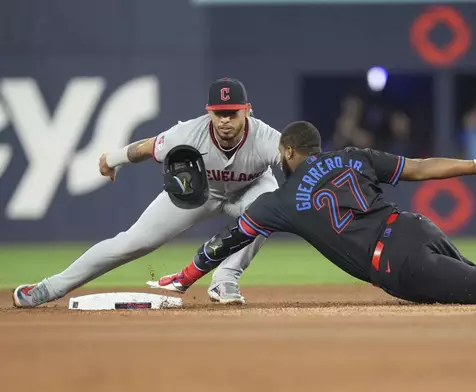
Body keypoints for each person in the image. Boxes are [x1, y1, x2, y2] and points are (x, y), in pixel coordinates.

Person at [147, 121, 476, 305]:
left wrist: (185, 277)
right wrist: (475, 165)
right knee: (471, 276)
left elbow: (226, 241)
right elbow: (420, 168)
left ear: (290, 151)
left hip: (398, 265)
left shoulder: (278, 201)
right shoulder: (356, 156)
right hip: (414, 227)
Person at [12, 78, 282, 308]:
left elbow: (301, 167)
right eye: (218, 113)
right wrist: (113, 158)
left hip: (251, 188)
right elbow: (148, 148)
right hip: (200, 191)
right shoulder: (188, 133)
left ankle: (225, 281)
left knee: (266, 208)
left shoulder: (267, 138)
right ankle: (50, 288)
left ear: (247, 110)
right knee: (131, 243)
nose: (224, 120)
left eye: (232, 113)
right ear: (208, 111)